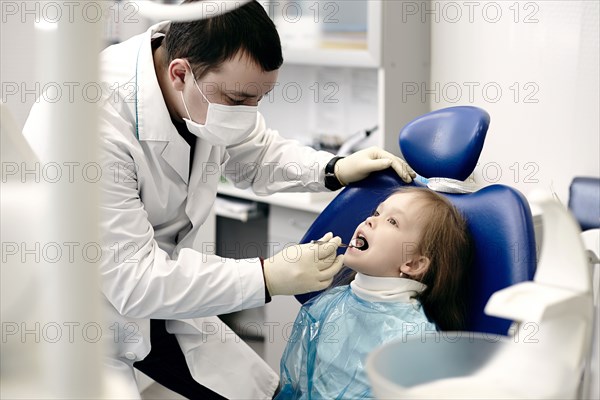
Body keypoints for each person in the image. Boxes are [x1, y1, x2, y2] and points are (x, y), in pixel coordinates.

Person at [22, 1, 415, 398]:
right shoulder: (90, 120)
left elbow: (256, 152)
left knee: (262, 392)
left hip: (158, 289)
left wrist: (332, 168)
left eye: (258, 100)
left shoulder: (204, 86)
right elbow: (134, 279)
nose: (249, 113)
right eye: (239, 99)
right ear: (180, 74)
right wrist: (266, 277)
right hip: (77, 315)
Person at [276, 187, 472, 399]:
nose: (370, 220)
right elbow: (298, 386)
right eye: (377, 213)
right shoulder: (328, 304)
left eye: (393, 221)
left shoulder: (415, 340)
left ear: (413, 263)